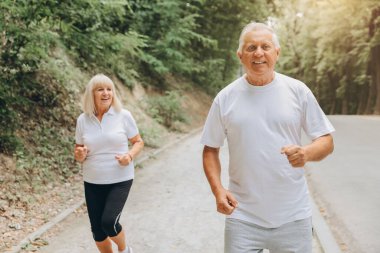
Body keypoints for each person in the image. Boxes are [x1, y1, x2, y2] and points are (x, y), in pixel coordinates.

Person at [201, 22, 335, 253]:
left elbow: (326, 141)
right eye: (251, 47)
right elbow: (210, 148)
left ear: (277, 52)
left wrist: (305, 153)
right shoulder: (225, 98)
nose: (259, 53)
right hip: (243, 216)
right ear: (240, 55)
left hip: (293, 216)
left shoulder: (298, 91)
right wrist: (218, 190)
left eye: (265, 46)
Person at [74, 74, 144, 253]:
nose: (106, 93)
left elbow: (138, 141)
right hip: (92, 180)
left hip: (120, 179)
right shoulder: (83, 119)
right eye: (100, 89)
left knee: (109, 222)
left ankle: (124, 249)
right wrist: (80, 154)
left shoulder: (123, 115)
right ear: (92, 94)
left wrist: (129, 156)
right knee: (97, 231)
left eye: (109, 89)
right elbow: (79, 151)